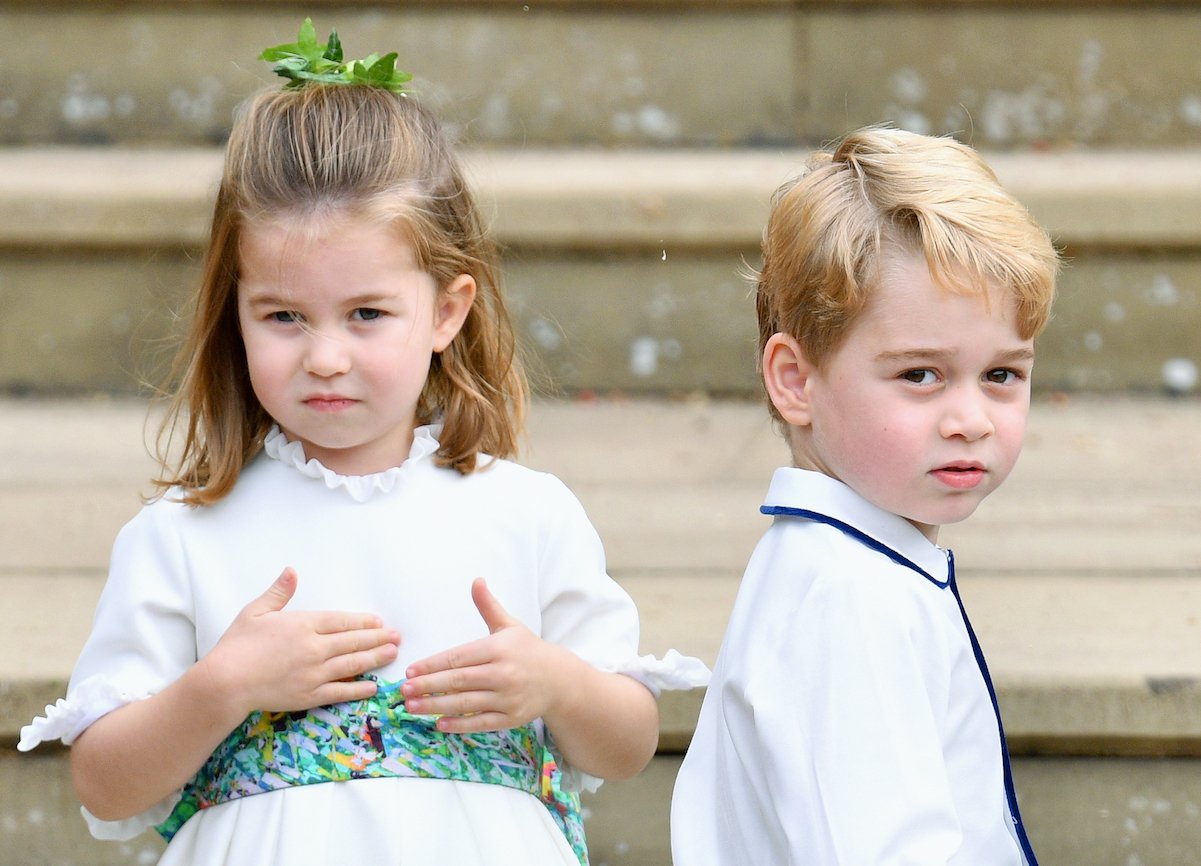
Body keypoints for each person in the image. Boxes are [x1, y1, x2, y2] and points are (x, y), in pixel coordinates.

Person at [20, 21, 706, 866]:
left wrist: (554, 683)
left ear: (446, 313)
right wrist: (224, 685)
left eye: (367, 314)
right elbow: (105, 782)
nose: (326, 357)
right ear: (234, 315)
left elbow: (627, 744)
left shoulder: (523, 512)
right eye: (282, 317)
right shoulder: (185, 536)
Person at [671, 126, 1058, 865]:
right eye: (919, 375)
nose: (969, 420)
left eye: (1001, 375)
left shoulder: (855, 569)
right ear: (794, 380)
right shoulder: (846, 598)